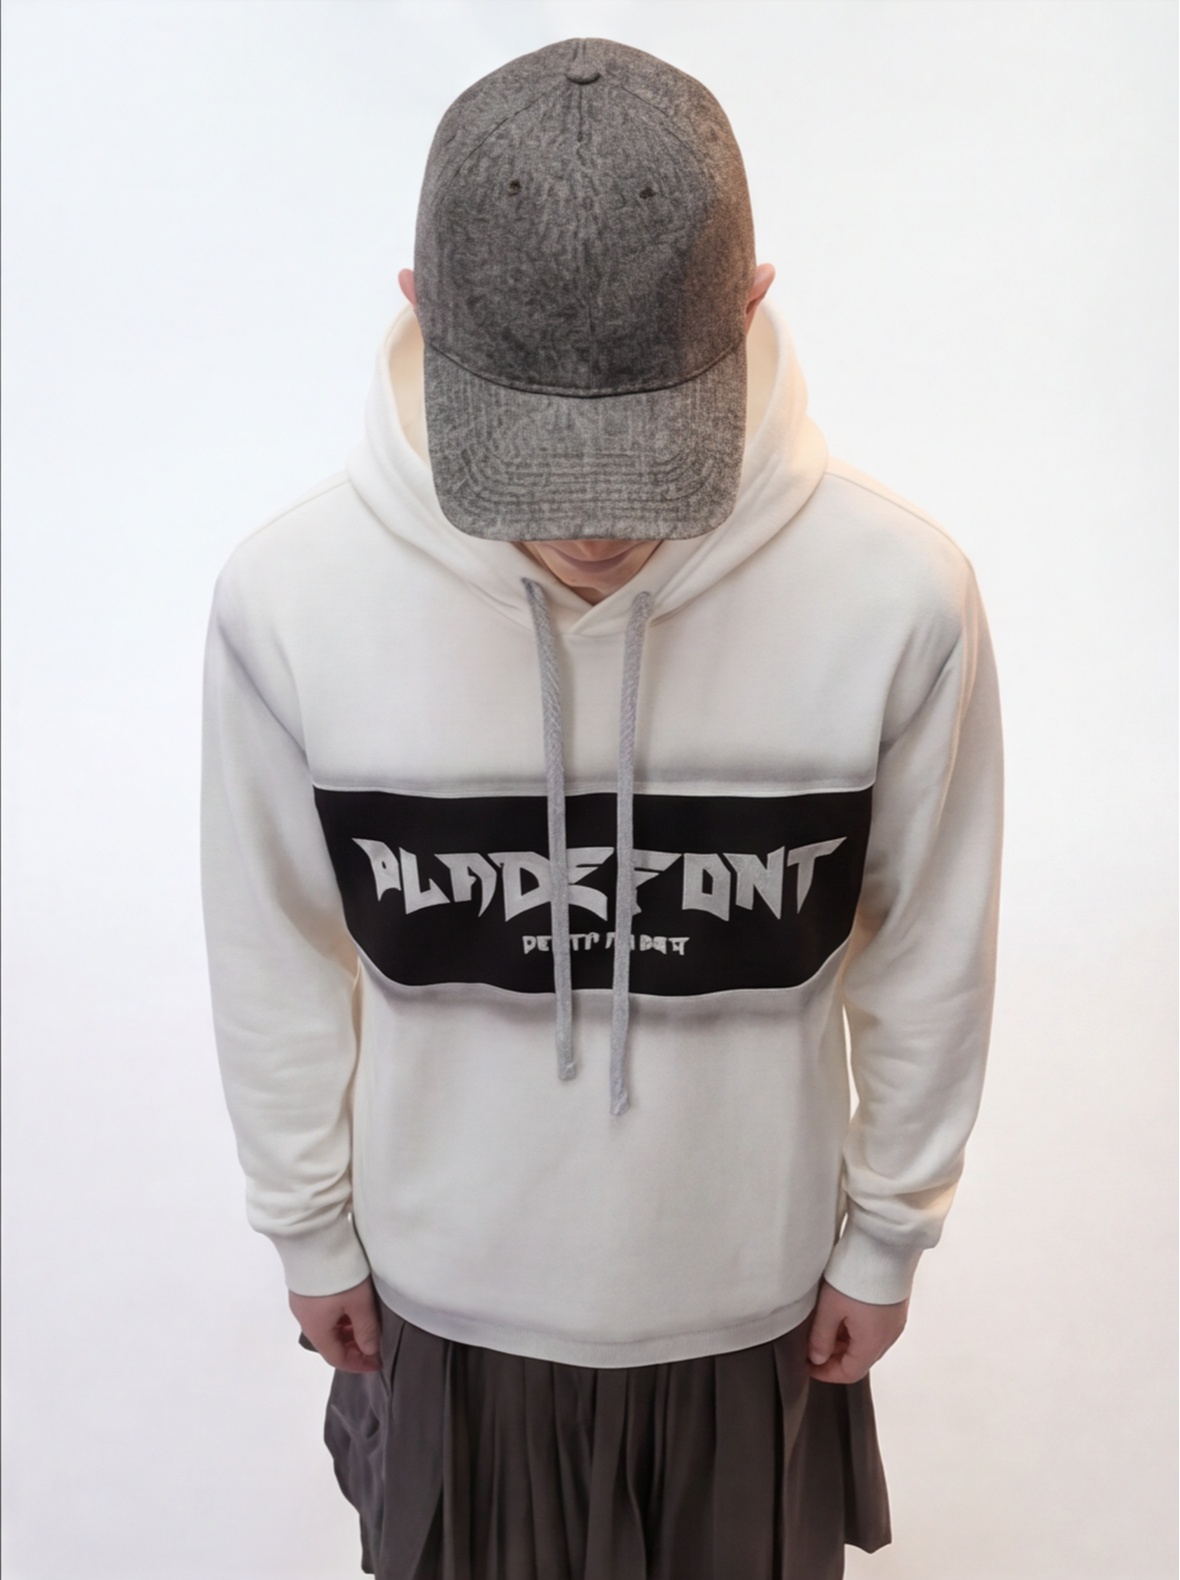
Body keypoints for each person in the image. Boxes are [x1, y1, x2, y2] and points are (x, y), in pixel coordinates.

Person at [202, 37, 1002, 1580]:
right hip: (436, 1300)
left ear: (751, 303)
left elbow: (929, 946)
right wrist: (307, 1223)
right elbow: (274, 944)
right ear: (419, 306)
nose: (589, 521)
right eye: (536, 458)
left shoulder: (898, 595)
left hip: (754, 1304)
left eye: (641, 452)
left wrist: (889, 1228)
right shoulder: (293, 599)